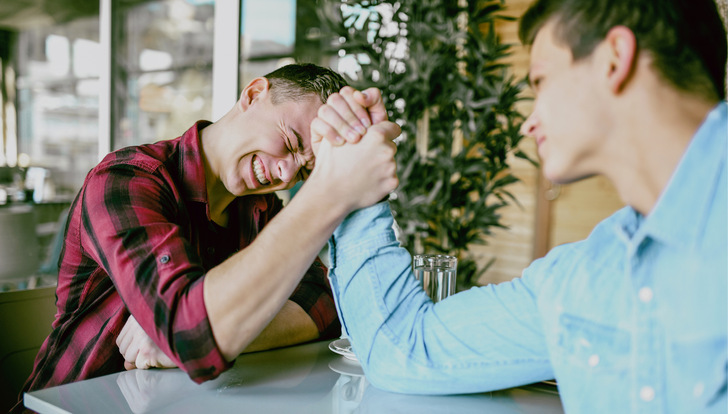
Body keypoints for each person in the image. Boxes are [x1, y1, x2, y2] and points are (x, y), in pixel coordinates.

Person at [318, 0, 728, 413]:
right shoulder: (585, 278)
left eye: (542, 81)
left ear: (614, 59)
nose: (528, 122)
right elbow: (407, 350)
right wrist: (355, 185)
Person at [14, 63, 400, 411]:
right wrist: (330, 192)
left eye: (304, 173)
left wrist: (197, 337)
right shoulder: (125, 179)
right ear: (253, 95)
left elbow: (324, 302)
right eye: (292, 142)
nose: (285, 175)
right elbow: (189, 334)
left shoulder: (259, 208)